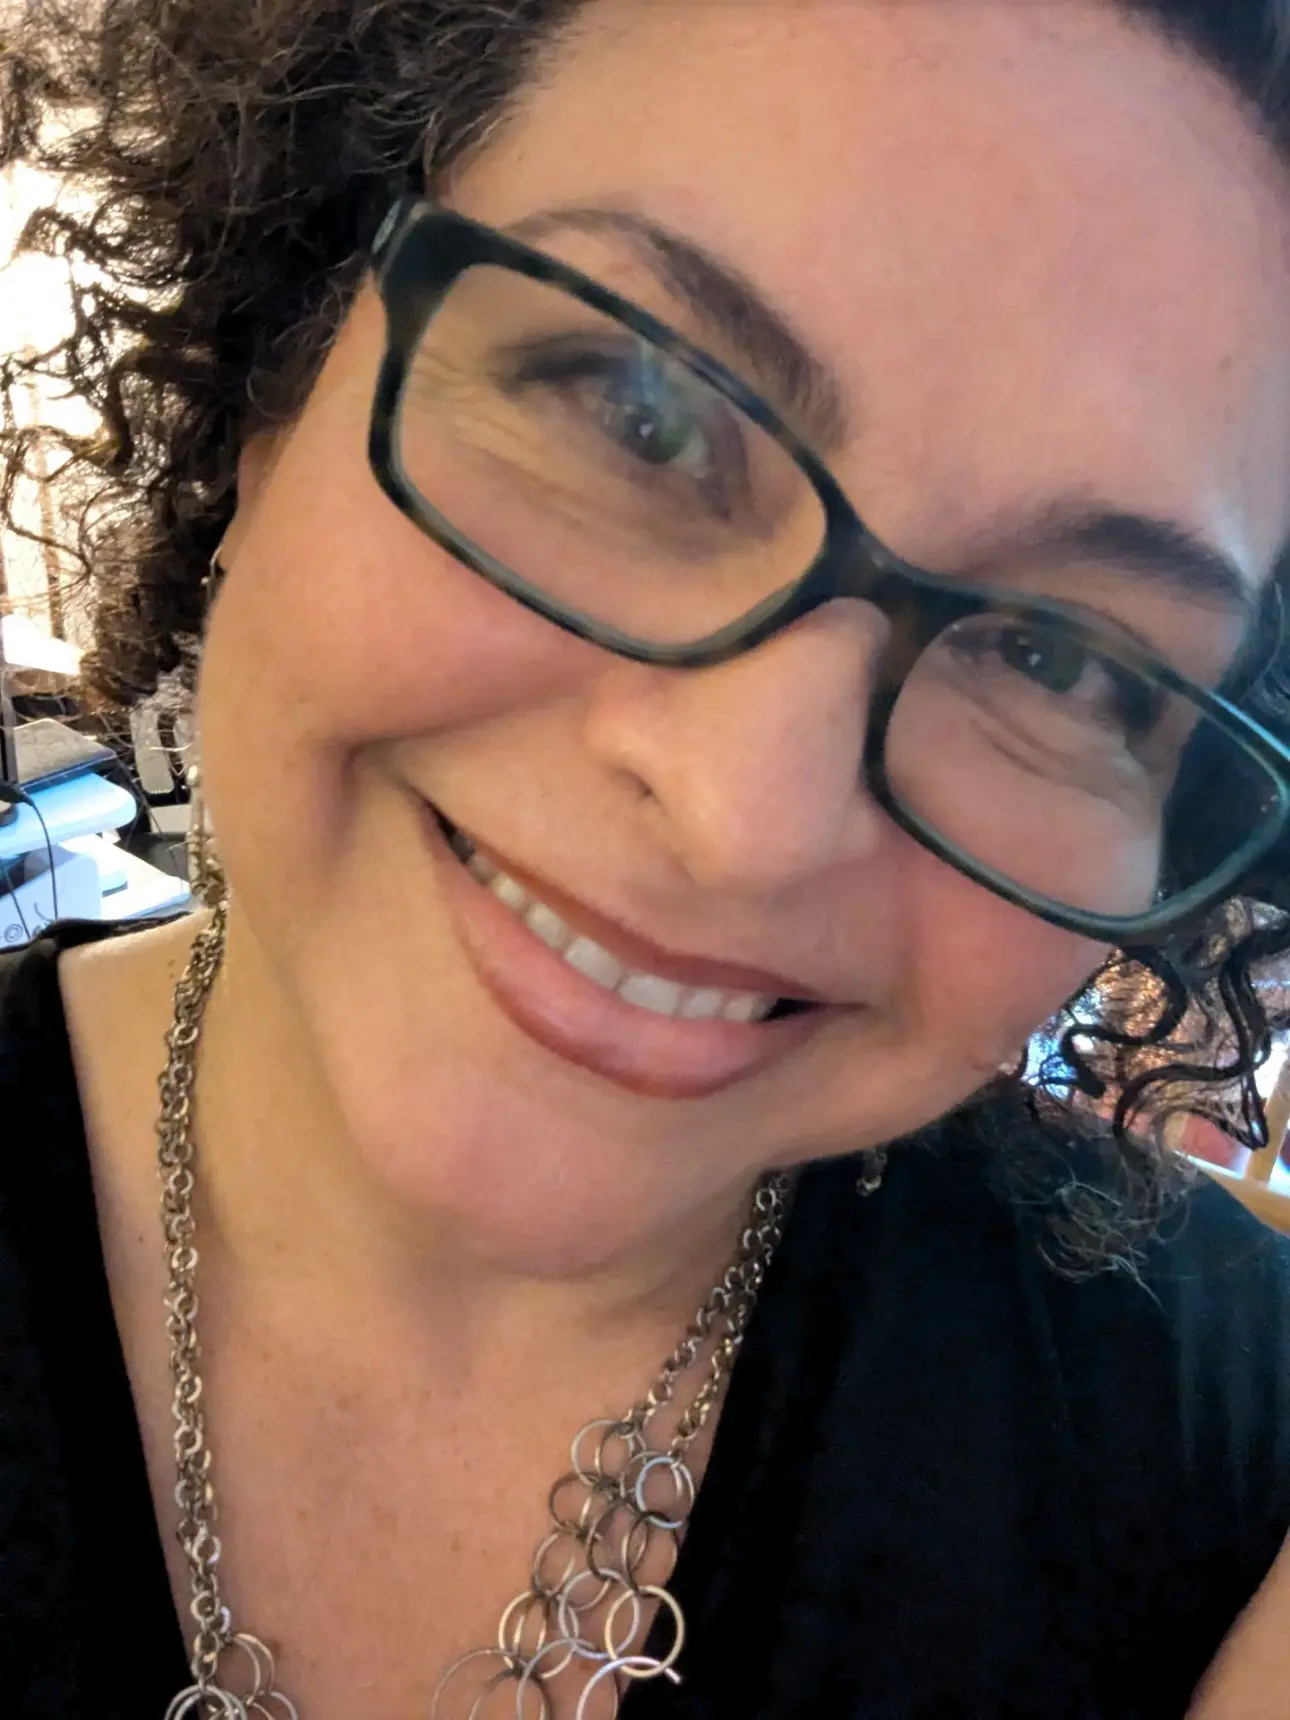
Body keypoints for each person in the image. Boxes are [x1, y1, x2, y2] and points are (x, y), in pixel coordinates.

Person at [1, 1, 1289, 1715]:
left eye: (1062, 659)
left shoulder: (1234, 1470)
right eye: (636, 415)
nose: (747, 817)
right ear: (279, 371)